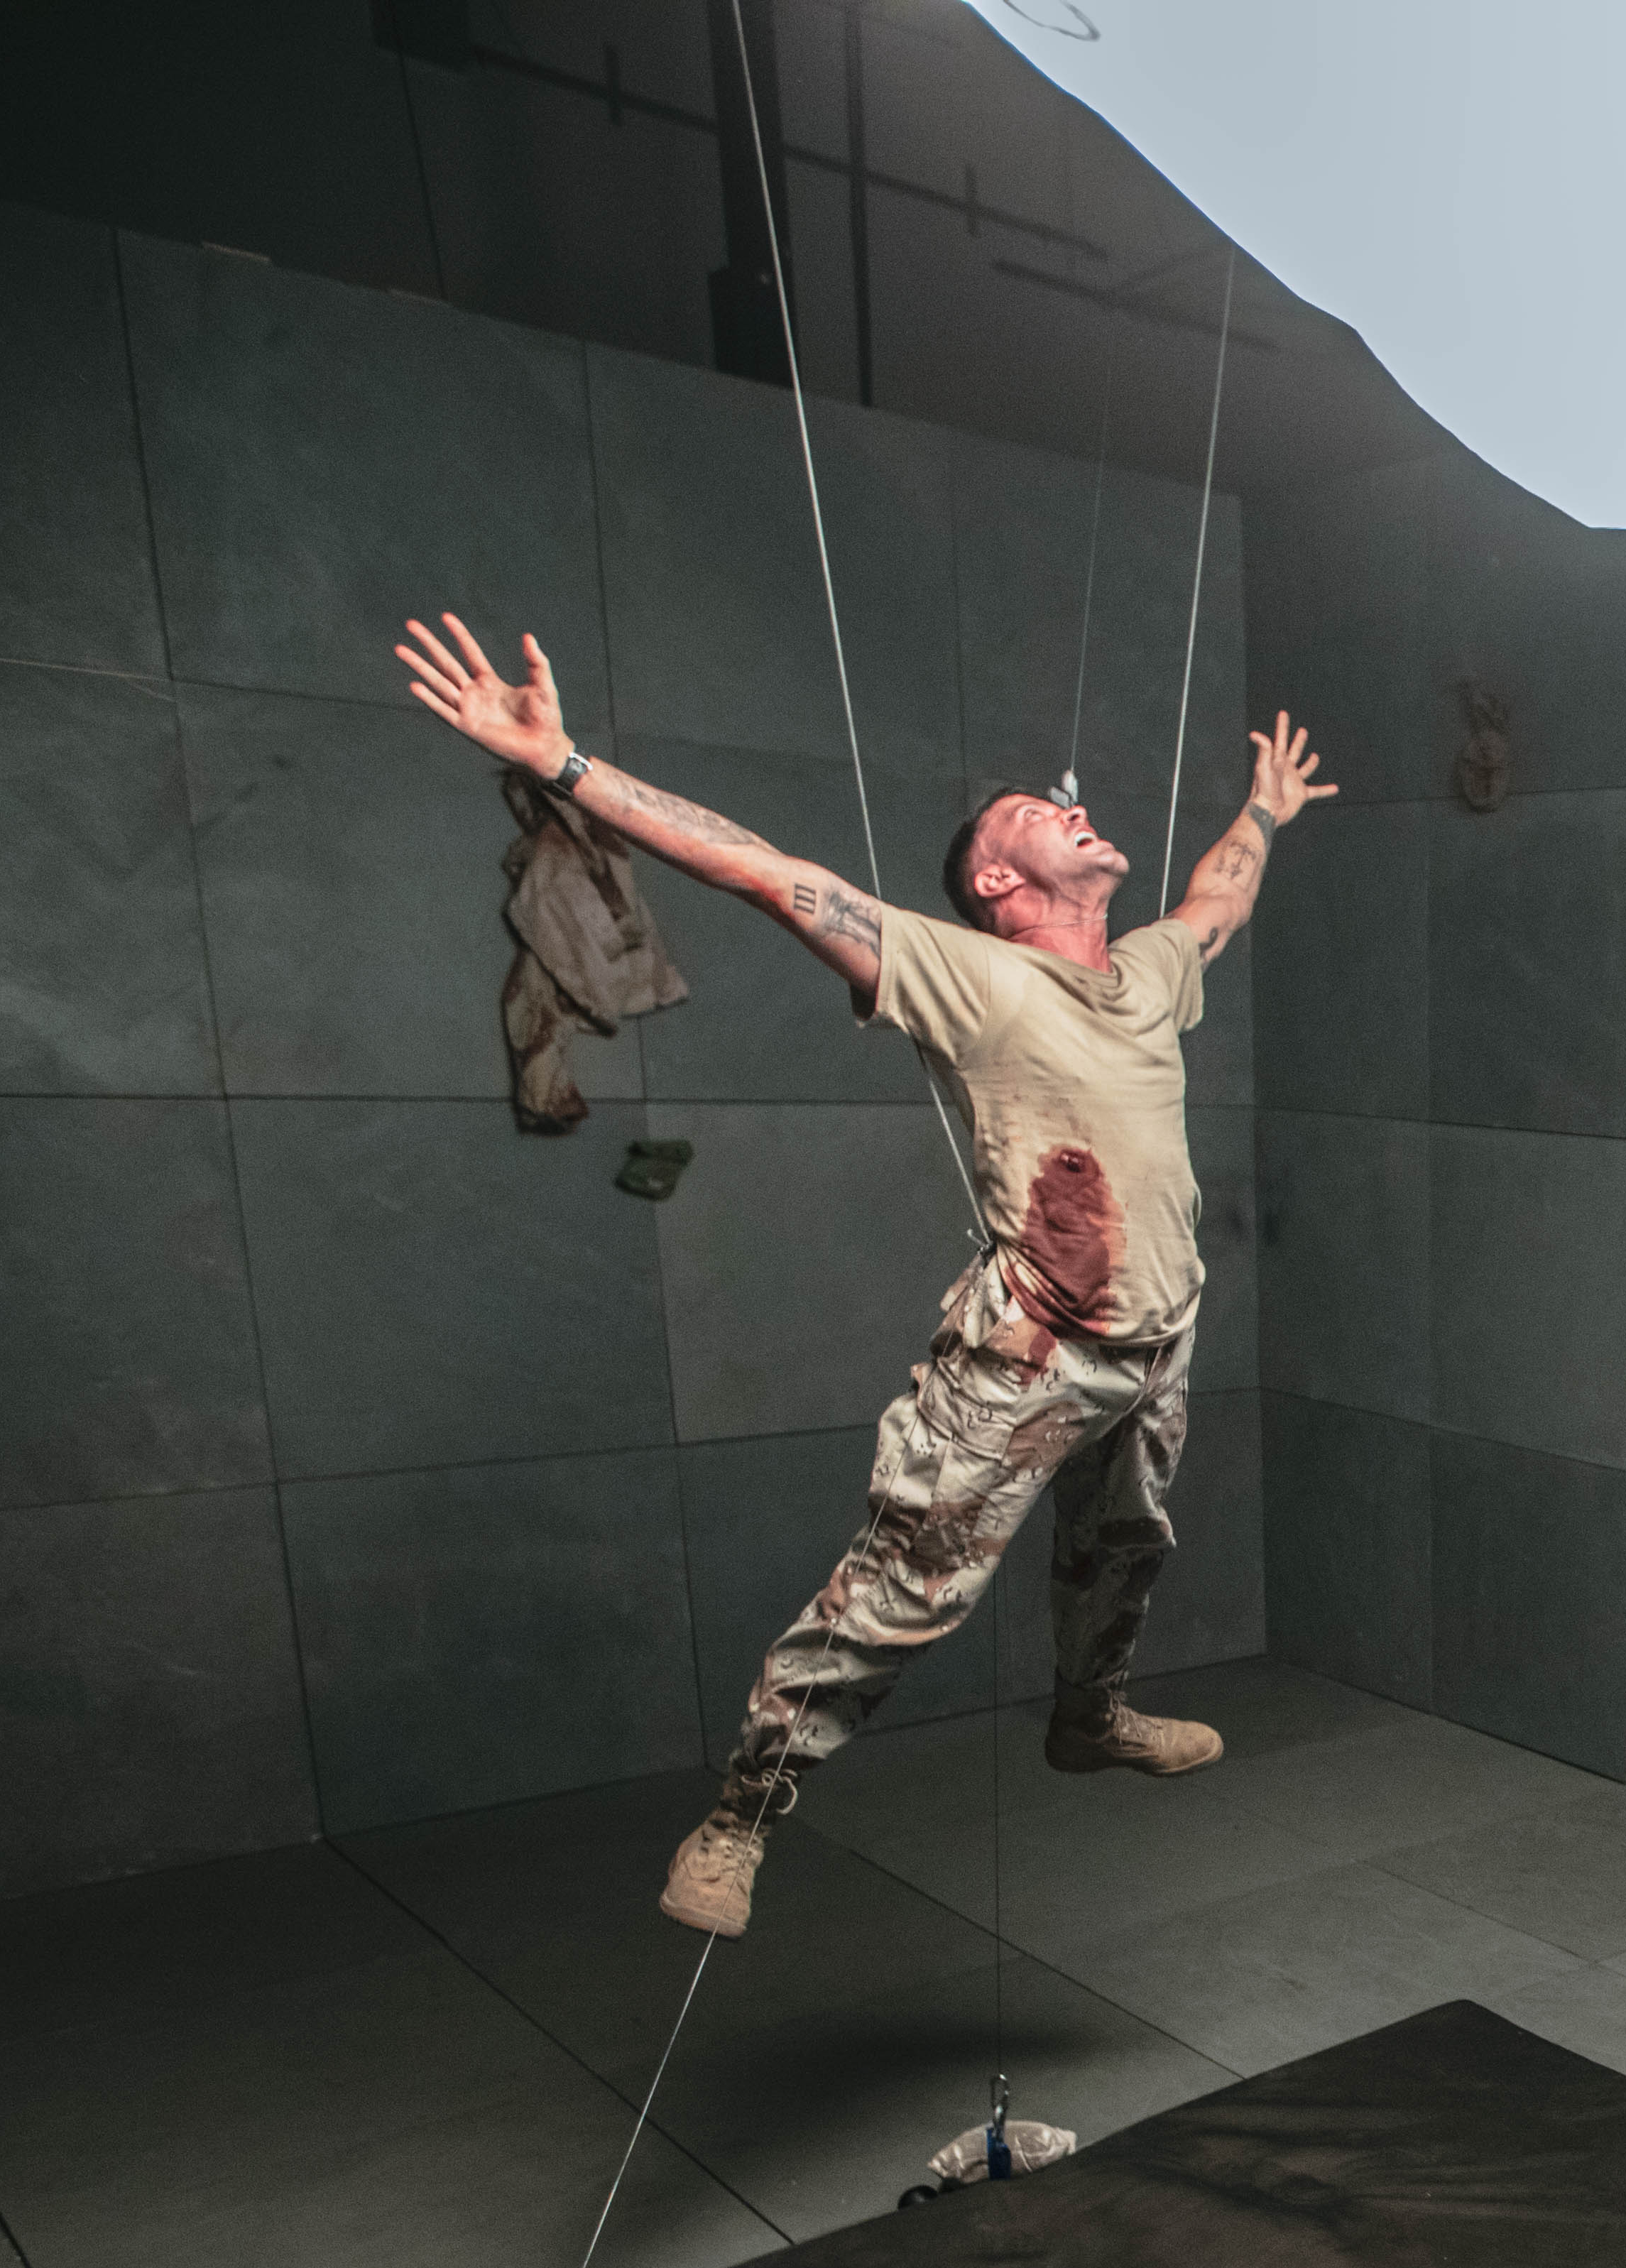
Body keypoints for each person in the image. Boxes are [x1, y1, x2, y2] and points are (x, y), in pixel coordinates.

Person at [394, 614, 1335, 1938]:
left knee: (1125, 1546)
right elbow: (769, 877)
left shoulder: (1145, 972)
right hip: (1035, 1343)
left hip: (1157, 1337)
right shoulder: (966, 971)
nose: (1065, 809)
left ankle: (1089, 1715)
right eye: (1027, 814)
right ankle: (739, 1820)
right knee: (901, 1595)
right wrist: (563, 766)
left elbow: (1217, 902)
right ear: (999, 885)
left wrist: (1263, 809)